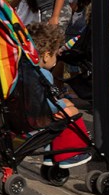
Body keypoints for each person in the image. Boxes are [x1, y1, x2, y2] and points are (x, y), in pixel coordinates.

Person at [27, 22, 91, 168]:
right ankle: (71, 153)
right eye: (55, 54)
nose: (57, 58)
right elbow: (47, 105)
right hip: (37, 119)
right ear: (47, 56)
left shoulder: (23, 72)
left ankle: (51, 152)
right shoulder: (43, 75)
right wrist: (62, 105)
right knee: (71, 111)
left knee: (65, 105)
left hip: (23, 116)